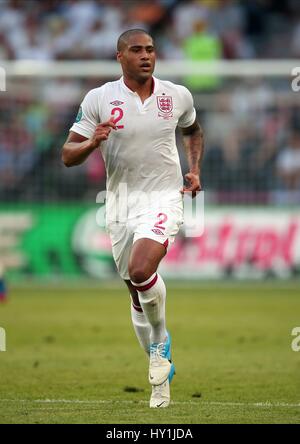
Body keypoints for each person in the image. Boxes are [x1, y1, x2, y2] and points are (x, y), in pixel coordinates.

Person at [62, 29, 204, 408]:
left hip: (163, 197)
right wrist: (92, 142)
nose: (146, 55)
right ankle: (159, 373)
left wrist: (194, 169)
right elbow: (67, 154)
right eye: (137, 50)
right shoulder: (99, 99)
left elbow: (192, 129)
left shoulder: (176, 95)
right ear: (120, 56)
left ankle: (160, 347)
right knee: (135, 293)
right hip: (120, 203)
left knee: (142, 271)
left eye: (151, 49)